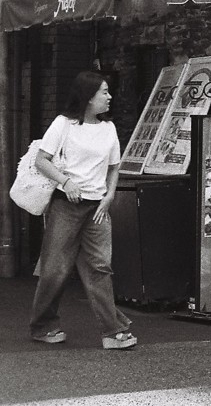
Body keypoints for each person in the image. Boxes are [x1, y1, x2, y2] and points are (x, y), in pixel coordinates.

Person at [29, 71, 136, 350]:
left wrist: (110, 196)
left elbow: (114, 167)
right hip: (66, 204)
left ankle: (112, 332)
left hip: (97, 207)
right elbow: (42, 160)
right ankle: (42, 325)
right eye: (104, 92)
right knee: (55, 269)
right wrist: (66, 181)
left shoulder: (108, 128)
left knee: (100, 267)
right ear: (88, 97)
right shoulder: (63, 124)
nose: (109, 97)